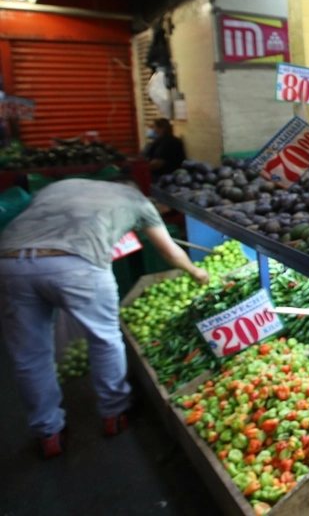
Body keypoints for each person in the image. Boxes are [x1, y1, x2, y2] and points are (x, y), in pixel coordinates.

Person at [0, 178, 208, 457]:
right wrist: (196, 273)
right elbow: (168, 251)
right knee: (104, 338)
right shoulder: (137, 201)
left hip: (10, 261)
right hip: (76, 262)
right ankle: (114, 412)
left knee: (29, 354)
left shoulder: (61, 186)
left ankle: (48, 432)